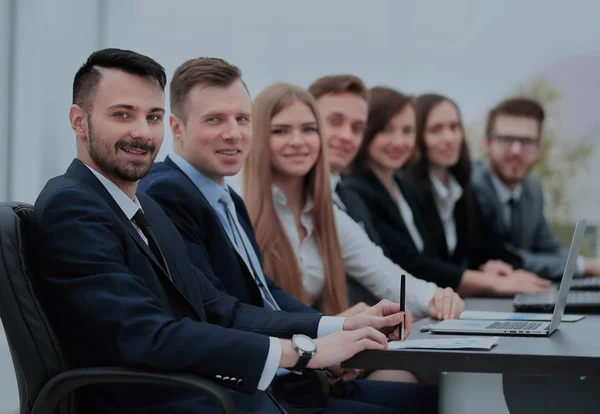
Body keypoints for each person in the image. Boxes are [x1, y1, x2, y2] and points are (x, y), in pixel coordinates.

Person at [31, 48, 409, 414]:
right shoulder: (75, 206)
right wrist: (304, 351)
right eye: (122, 115)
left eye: (153, 116)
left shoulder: (143, 209)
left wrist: (339, 327)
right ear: (79, 121)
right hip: (186, 401)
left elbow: (218, 308)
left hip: (222, 396)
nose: (142, 133)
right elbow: (147, 336)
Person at [139, 57, 436, 414]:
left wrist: (342, 329)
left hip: (295, 378)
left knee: (442, 400)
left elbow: (265, 292)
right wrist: (322, 342)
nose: (233, 132)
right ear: (176, 127)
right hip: (254, 391)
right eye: (214, 119)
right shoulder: (167, 194)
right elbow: (218, 314)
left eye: (242, 119)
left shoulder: (223, 195)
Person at [241, 81, 464, 323]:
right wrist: (334, 325)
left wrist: (437, 297)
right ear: (258, 137)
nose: (298, 141)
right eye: (280, 131)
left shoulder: (329, 216)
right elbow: (245, 318)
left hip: (317, 352)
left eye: (308, 129)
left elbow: (384, 274)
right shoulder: (237, 213)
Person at [344, 87, 550, 296]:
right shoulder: (357, 190)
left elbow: (439, 259)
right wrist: (486, 281)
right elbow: (407, 262)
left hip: (427, 306)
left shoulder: (405, 189)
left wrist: (485, 269)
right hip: (391, 312)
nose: (398, 141)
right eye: (385, 130)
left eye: (407, 131)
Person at [403, 93, 549, 294]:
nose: (449, 138)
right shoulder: (407, 191)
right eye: (436, 130)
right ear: (417, 136)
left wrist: (490, 267)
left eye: (454, 128)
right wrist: (484, 279)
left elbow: (487, 250)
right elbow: (421, 265)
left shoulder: (461, 188)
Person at [473, 97, 600, 280]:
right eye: (507, 139)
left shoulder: (532, 188)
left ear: (538, 149)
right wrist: (584, 266)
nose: (516, 150)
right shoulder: (473, 188)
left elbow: (549, 247)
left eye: (526, 141)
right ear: (486, 144)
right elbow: (505, 257)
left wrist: (586, 263)